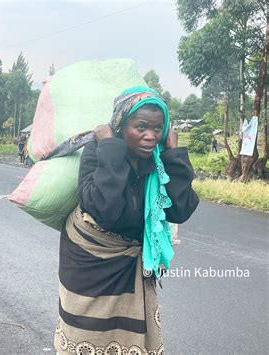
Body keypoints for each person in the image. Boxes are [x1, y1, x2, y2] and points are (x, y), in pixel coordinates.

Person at [54, 86, 199, 354]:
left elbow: (180, 209)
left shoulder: (157, 163)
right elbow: (105, 209)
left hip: (131, 266)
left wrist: (173, 153)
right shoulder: (98, 152)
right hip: (89, 266)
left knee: (130, 342)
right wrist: (110, 147)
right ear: (120, 125)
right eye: (141, 127)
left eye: (157, 129)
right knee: (88, 340)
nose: (150, 136)